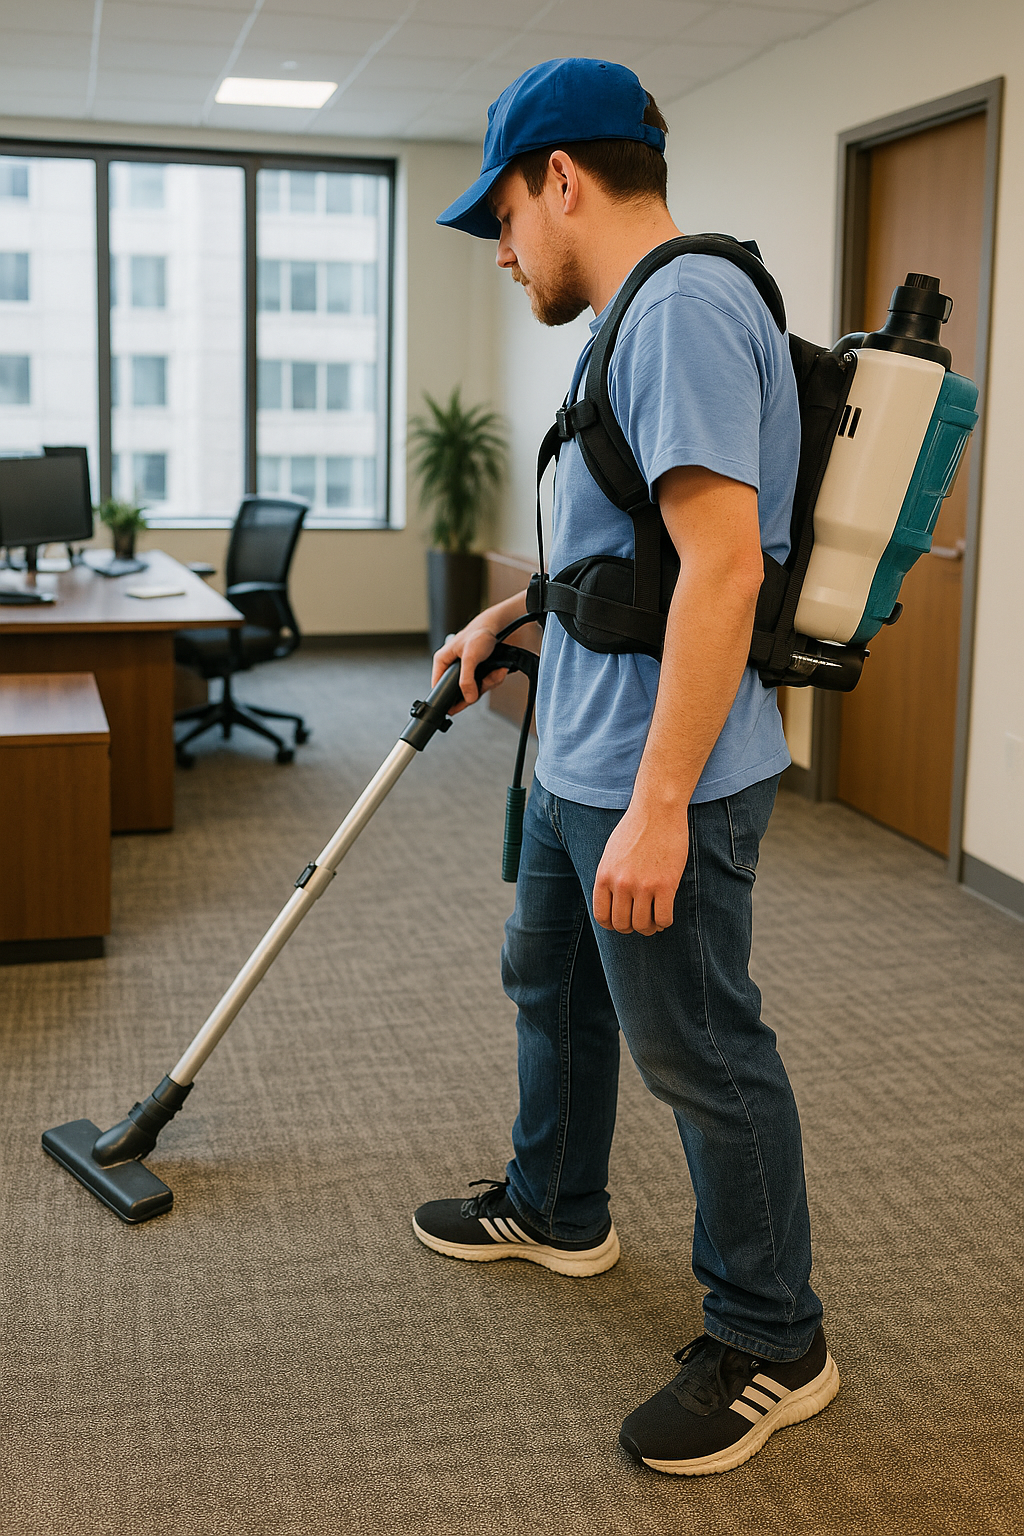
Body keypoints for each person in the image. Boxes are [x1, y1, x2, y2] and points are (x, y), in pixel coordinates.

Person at [412, 57, 839, 1476]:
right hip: (580, 756)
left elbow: (723, 568)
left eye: (503, 220)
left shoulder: (687, 310)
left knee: (702, 1052)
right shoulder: (632, 320)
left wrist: (659, 810)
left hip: (665, 778)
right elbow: (628, 556)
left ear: (562, 179)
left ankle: (775, 1339)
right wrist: (510, 612)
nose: (504, 252)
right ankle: (557, 1204)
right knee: (550, 982)